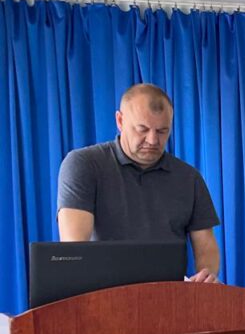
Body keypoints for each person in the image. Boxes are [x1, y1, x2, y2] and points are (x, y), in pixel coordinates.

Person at [56, 83, 220, 282]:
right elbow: (75, 249)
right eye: (142, 129)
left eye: (162, 131)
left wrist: (206, 277)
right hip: (103, 292)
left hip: (168, 294)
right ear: (120, 121)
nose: (152, 140)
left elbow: (206, 245)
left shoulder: (189, 178)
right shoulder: (84, 165)